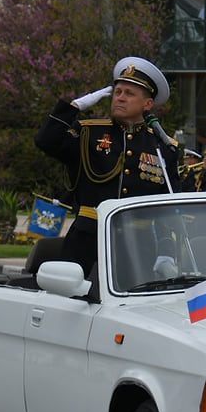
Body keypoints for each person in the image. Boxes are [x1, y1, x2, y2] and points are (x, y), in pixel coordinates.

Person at [33, 56, 180, 277]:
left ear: (147, 104)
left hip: (138, 246)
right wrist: (73, 107)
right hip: (87, 240)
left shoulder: (162, 145)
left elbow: (169, 204)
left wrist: (167, 249)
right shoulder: (89, 133)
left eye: (129, 94)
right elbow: (46, 141)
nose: (120, 98)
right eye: (118, 92)